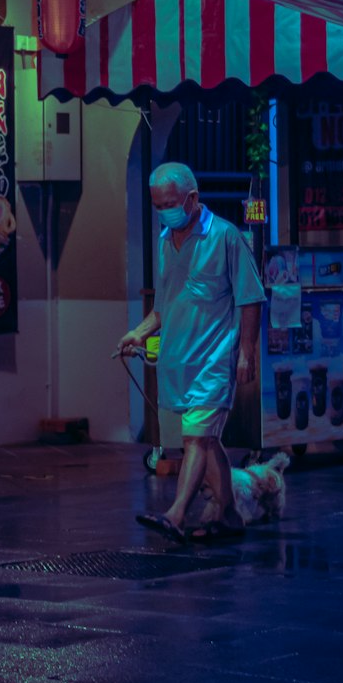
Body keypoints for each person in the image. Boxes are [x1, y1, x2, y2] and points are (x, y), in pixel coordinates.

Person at [118, 161, 265, 543]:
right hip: (179, 361)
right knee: (208, 440)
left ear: (192, 198)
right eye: (158, 204)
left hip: (215, 360)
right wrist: (138, 332)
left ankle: (176, 513)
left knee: (194, 439)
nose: (165, 210)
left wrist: (246, 351)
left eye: (170, 202)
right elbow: (164, 308)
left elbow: (250, 299)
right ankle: (230, 515)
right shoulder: (166, 242)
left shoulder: (226, 237)